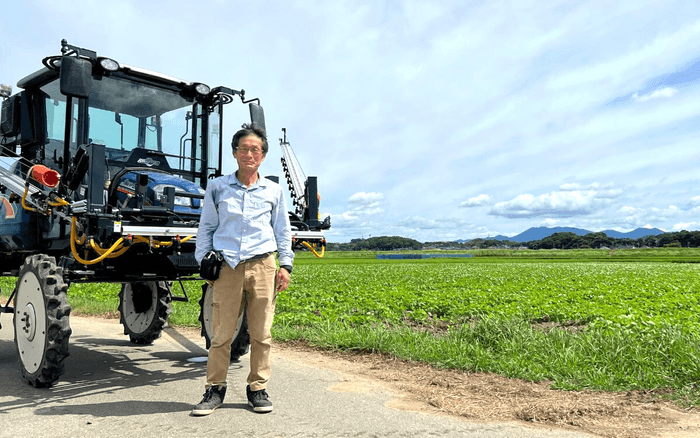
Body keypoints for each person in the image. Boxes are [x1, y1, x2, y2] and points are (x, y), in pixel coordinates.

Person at [192, 123, 293, 415]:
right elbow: (207, 228)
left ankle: (257, 389)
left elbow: (282, 231)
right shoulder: (218, 187)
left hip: (263, 265)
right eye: (244, 148)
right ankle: (214, 390)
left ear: (262, 156)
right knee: (221, 333)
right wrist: (204, 262)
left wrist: (285, 265)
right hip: (228, 266)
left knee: (262, 334)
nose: (250, 153)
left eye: (256, 150)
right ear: (235, 153)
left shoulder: (273, 191)